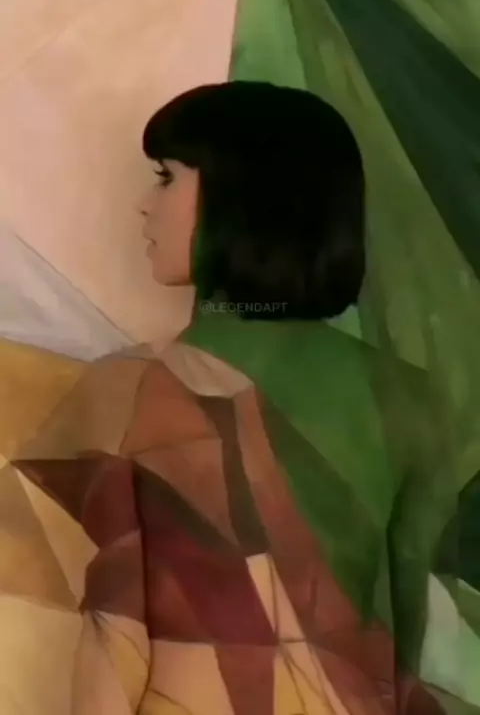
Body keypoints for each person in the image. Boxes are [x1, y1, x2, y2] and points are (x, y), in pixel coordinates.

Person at [6, 82, 443, 714]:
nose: (144, 205)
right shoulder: (412, 400)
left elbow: (116, 638)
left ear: (241, 196)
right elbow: (404, 645)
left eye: (166, 178)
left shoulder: (132, 387)